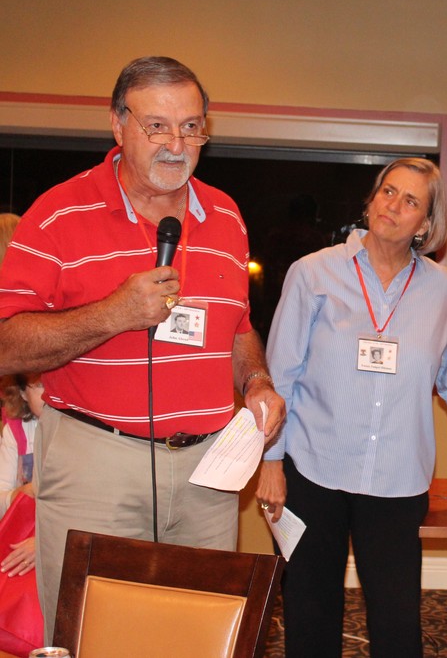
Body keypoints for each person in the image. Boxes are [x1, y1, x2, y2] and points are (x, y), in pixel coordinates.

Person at [0, 56, 285, 641]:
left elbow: (237, 328)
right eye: (157, 126)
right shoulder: (57, 214)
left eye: (191, 127)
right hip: (97, 464)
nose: (176, 145)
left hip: (208, 474)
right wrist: (115, 313)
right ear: (118, 124)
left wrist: (256, 380)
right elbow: (6, 345)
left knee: (198, 633)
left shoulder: (226, 215)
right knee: (91, 636)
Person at [256, 157, 447, 658]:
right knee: (309, 615)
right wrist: (271, 463)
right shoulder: (313, 273)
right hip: (313, 470)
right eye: (387, 191)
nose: (393, 205)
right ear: (371, 199)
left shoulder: (440, 287)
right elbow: (281, 377)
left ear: (426, 224)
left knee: (397, 624)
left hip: (396, 479)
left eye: (410, 201)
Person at [0, 373, 43, 577]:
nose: (50, 394)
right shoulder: (16, 431)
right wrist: (20, 493)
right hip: (24, 532)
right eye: (40, 385)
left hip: (60, 537)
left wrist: (44, 541)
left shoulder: (80, 428)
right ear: (23, 393)